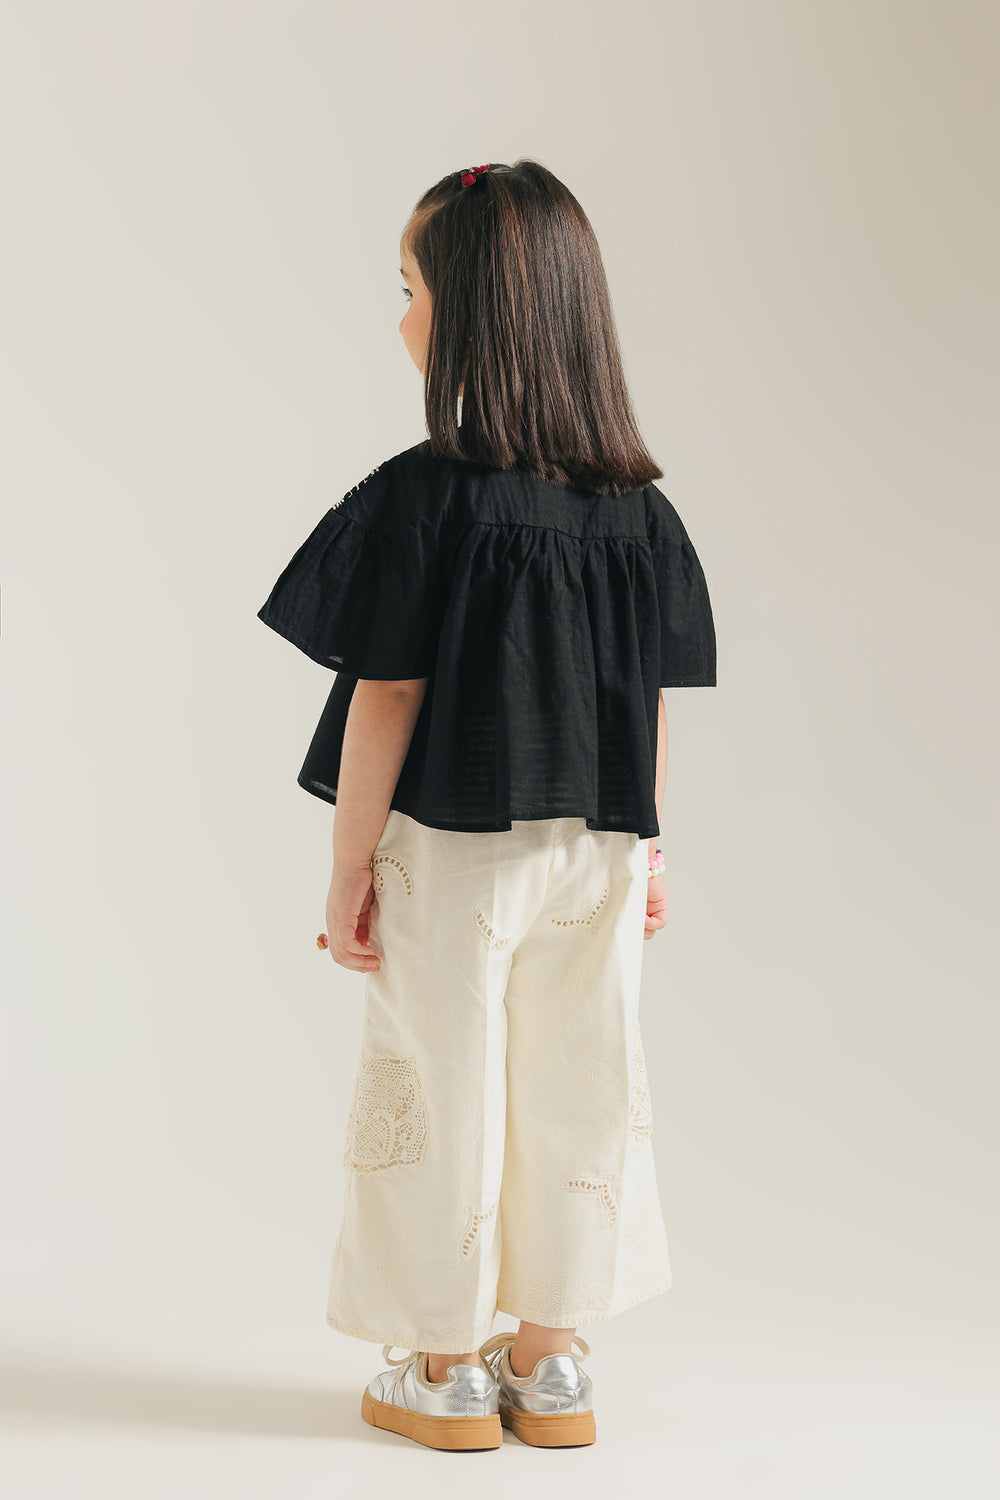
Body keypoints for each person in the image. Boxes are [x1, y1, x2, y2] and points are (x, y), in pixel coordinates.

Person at [257, 159, 717, 1453]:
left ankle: (447, 1369)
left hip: (452, 852)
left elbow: (387, 698)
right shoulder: (641, 515)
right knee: (583, 1076)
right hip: (601, 849)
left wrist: (350, 866)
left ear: (469, 319)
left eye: (409, 289)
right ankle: (553, 1363)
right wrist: (650, 850)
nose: (398, 315)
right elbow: (650, 701)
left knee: (439, 1079)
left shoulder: (422, 500)